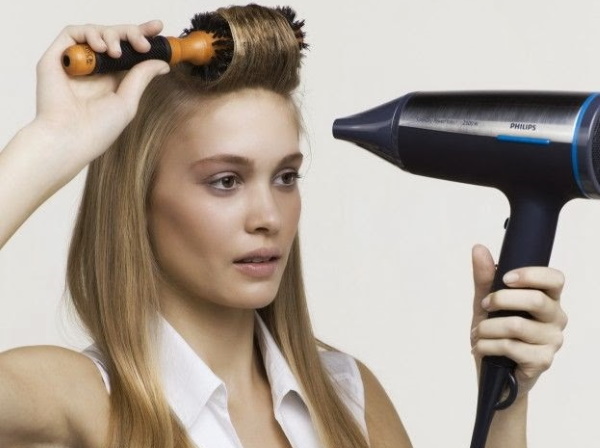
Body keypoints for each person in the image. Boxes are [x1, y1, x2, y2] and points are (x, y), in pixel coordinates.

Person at [0, 4, 567, 448]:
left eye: (286, 177)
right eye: (225, 181)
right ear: (136, 200)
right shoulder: (83, 398)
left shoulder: (346, 394)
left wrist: (508, 399)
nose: (268, 217)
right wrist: (49, 143)